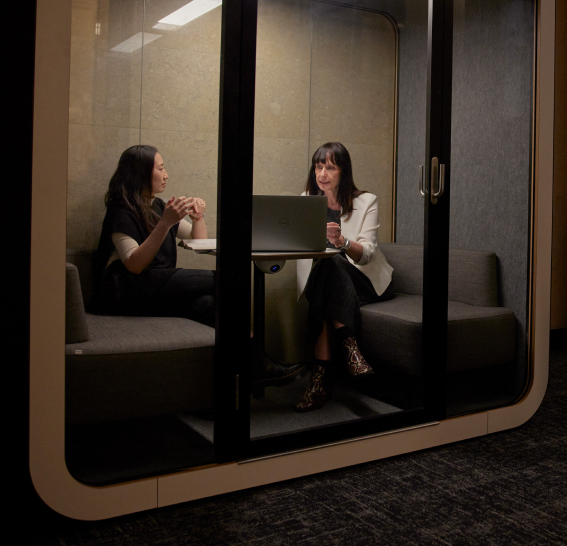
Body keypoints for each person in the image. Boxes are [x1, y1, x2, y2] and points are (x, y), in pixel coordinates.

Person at [91, 144, 301, 389]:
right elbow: (134, 264)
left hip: (155, 287)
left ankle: (241, 375)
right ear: (140, 174)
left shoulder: (157, 206)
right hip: (125, 291)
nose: (166, 174)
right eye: (160, 168)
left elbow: (198, 241)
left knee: (210, 305)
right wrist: (165, 223)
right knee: (225, 279)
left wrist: (197, 217)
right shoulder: (122, 210)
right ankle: (258, 365)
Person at [295, 142, 395, 412]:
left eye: (330, 167)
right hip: (327, 282)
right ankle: (350, 349)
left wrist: (341, 240)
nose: (322, 174)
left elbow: (367, 255)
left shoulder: (366, 201)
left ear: (344, 171)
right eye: (318, 166)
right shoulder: (305, 200)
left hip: (364, 280)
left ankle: (319, 379)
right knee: (327, 268)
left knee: (332, 259)